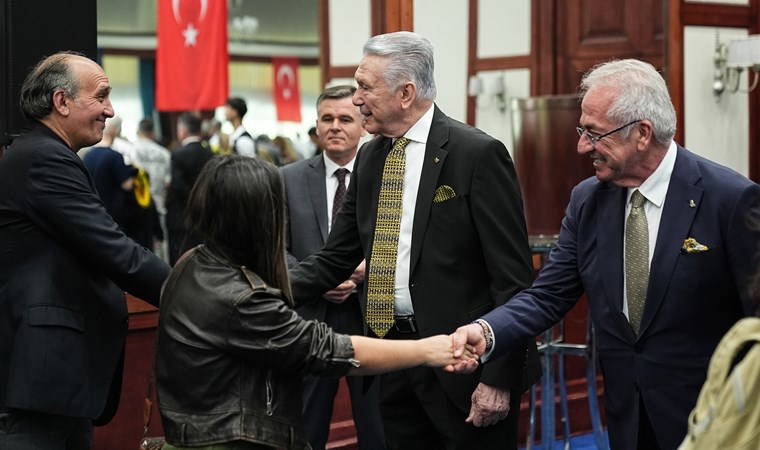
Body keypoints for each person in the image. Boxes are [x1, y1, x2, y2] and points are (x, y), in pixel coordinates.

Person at [451, 59, 760, 450]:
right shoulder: (588, 201)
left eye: (594, 134)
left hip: (715, 419)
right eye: (582, 131)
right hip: (626, 414)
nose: (582, 146)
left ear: (642, 133)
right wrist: (486, 331)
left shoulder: (730, 199)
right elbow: (548, 295)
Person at [289, 32, 539, 450]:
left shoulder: (476, 154)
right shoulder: (370, 157)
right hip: (393, 362)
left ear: (405, 93)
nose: (356, 99)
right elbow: (334, 258)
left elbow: (512, 281)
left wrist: (500, 378)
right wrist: (259, 290)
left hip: (465, 366)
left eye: (365, 87)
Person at [156, 155, 478, 450]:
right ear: (259, 219)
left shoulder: (192, 262)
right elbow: (329, 350)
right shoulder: (243, 300)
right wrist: (428, 350)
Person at [0, 52, 169, 449]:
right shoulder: (44, 158)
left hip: (52, 384)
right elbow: (115, 251)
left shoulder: (47, 155)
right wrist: (198, 292)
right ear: (61, 101)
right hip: (39, 386)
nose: (110, 110)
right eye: (101, 97)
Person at [282, 85, 384, 450]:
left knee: (377, 427)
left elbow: (404, 242)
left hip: (369, 315)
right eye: (327, 119)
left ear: (362, 125)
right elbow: (276, 248)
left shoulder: (385, 176)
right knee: (306, 429)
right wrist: (317, 279)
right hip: (309, 318)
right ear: (316, 125)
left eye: (345, 119)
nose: (335, 126)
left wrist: (370, 268)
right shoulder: (287, 178)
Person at [165, 112, 214, 264]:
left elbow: (178, 185)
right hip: (204, 213)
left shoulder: (178, 154)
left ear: (183, 130)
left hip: (181, 214)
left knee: (182, 257)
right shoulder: (210, 152)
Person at [132, 118, 171, 260]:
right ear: (153, 133)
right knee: (162, 243)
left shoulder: (131, 150)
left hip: (139, 206)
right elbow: (168, 182)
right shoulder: (164, 153)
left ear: (139, 131)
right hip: (160, 203)